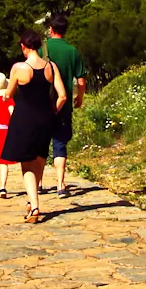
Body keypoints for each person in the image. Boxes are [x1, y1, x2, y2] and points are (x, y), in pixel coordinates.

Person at [2, 29, 67, 223]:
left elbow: (8, 94)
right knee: (39, 159)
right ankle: (32, 201)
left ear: (23, 46)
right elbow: (62, 95)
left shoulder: (19, 68)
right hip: (45, 118)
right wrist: (52, 111)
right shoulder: (51, 67)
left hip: (24, 118)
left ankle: (35, 206)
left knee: (26, 163)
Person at [43, 13, 88, 198]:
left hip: (43, 103)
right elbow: (81, 80)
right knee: (60, 142)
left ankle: (38, 183)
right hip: (64, 103)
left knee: (41, 142)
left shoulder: (41, 49)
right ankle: (60, 184)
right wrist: (79, 97)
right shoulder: (72, 51)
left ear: (51, 29)